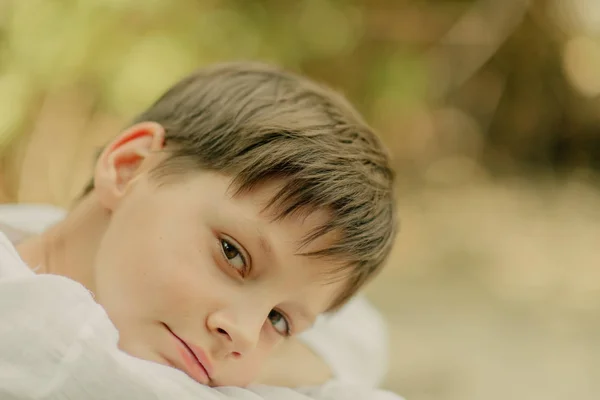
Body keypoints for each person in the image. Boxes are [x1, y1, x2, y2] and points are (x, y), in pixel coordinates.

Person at [0, 62, 397, 394]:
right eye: (232, 254)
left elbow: (360, 331)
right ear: (130, 165)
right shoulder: (39, 342)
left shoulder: (37, 231)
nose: (243, 335)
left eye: (277, 320)